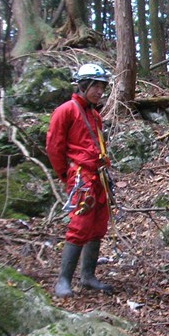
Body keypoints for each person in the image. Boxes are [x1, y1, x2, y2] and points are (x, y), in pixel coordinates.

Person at [46, 63, 114, 297]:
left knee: (97, 225)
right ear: (83, 85)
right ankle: (63, 281)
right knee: (80, 224)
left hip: (98, 176)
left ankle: (88, 276)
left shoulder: (94, 114)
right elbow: (54, 146)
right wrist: (66, 175)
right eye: (95, 86)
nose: (99, 92)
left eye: (101, 87)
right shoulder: (66, 110)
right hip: (80, 176)